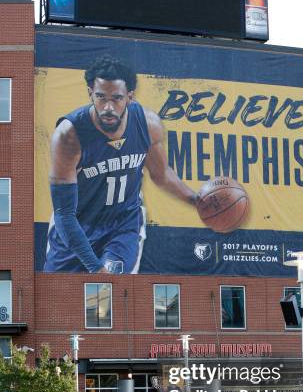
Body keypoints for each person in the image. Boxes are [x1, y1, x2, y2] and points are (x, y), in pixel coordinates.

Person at [44, 55, 198, 274]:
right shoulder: (69, 135)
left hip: (121, 225)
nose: (108, 107)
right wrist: (94, 267)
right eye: (100, 97)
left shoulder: (147, 124)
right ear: (90, 94)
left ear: (130, 97)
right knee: (58, 300)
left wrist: (196, 200)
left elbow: (161, 174)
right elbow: (64, 214)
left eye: (116, 98)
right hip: (77, 226)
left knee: (111, 296)